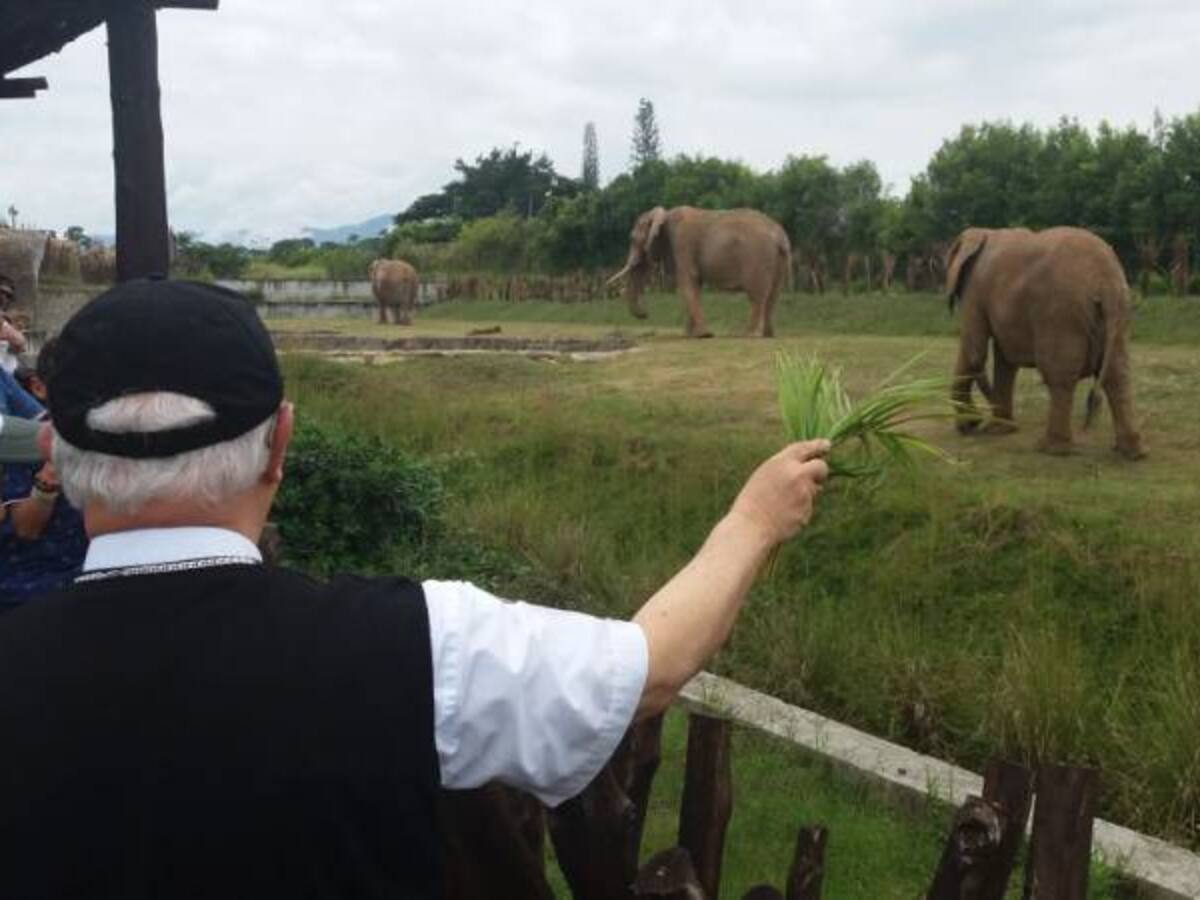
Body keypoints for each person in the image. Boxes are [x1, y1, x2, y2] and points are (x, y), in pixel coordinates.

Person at [0, 279, 829, 898]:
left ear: (58, 458)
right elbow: (649, 668)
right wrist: (753, 520)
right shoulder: (419, 644)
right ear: (280, 443)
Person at [0, 339, 88, 608]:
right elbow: (26, 529)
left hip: (95, 581)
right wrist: (50, 477)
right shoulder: (23, 443)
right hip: (30, 586)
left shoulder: (111, 436)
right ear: (39, 387)